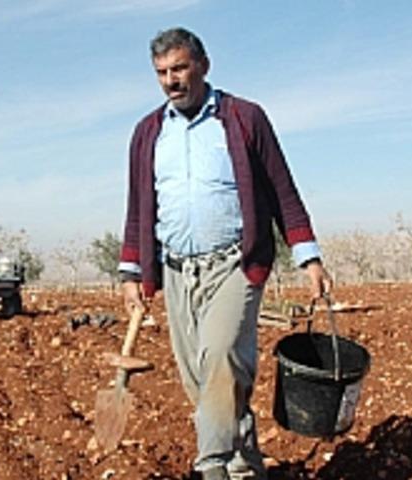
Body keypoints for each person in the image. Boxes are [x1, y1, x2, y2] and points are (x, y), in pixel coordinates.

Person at [117, 28, 332, 480]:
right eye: (161, 73)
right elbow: (138, 207)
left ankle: (211, 466)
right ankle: (244, 463)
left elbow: (282, 191)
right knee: (201, 378)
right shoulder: (147, 133)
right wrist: (132, 271)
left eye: (179, 68)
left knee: (217, 358)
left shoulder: (243, 118)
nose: (171, 80)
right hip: (177, 269)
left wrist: (307, 256)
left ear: (203, 66)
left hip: (234, 263)